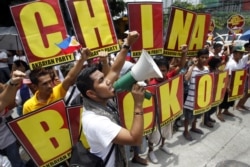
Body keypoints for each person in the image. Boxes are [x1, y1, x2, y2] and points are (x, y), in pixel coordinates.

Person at [76, 31, 143, 167]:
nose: (108, 81)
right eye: (102, 80)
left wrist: (127, 44)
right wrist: (138, 104)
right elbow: (135, 139)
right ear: (91, 93)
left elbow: (114, 71)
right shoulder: (96, 121)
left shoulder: (97, 99)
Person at [22, 48, 90, 114]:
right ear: (34, 86)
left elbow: (70, 77)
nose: (49, 86)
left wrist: (82, 59)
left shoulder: (57, 91)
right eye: (44, 84)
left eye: (50, 81)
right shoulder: (28, 106)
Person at [0, 70, 26, 167]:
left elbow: (7, 101)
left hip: (8, 140)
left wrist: (13, 83)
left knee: (16, 164)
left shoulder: (4, 103)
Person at [183, 48, 210, 141]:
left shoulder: (207, 69)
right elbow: (186, 79)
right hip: (191, 99)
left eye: (206, 57)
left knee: (197, 115)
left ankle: (193, 127)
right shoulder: (192, 68)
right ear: (198, 58)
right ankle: (186, 131)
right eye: (202, 57)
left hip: (201, 99)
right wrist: (192, 67)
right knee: (188, 117)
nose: (204, 59)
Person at [217, 45, 248, 121]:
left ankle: (226, 110)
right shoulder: (231, 63)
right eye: (240, 53)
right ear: (234, 53)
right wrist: (227, 86)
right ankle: (219, 113)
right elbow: (228, 75)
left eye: (242, 54)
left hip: (236, 83)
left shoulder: (240, 61)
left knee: (232, 99)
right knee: (225, 99)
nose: (241, 55)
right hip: (229, 83)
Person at [204, 56, 222, 128]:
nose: (220, 64)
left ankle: (208, 117)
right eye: (219, 63)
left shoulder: (216, 69)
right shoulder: (208, 70)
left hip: (215, 91)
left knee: (214, 107)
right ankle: (206, 120)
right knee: (208, 107)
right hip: (209, 91)